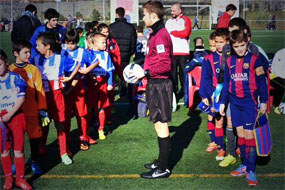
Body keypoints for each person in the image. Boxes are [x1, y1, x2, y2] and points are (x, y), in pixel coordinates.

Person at [219, 29, 268, 186]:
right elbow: (227, 84)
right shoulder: (229, 61)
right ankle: (245, 165)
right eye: (236, 46)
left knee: (249, 136)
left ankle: (251, 169)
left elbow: (262, 82)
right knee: (239, 134)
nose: (239, 49)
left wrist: (264, 100)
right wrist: (222, 102)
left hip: (249, 104)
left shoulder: (255, 60)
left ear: (247, 42)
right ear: (232, 46)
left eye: (242, 45)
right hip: (234, 103)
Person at [133, 0, 173, 179]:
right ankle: (160, 161)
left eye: (144, 14)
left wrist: (146, 72)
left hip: (160, 84)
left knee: (161, 123)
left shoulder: (161, 35)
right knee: (157, 122)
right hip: (155, 82)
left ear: (153, 16)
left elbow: (165, 64)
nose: (142, 18)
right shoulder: (155, 33)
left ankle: (163, 168)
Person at [31, 32, 73, 165]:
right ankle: (41, 148)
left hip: (57, 95)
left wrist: (70, 84)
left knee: (60, 125)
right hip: (42, 96)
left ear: (47, 46)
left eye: (38, 45)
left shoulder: (61, 58)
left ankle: (63, 152)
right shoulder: (36, 59)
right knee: (43, 124)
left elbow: (78, 67)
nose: (36, 48)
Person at [9, 40, 49, 175]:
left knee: (35, 138)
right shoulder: (10, 70)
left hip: (31, 110)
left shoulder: (33, 69)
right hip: (16, 112)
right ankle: (16, 162)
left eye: (29, 52)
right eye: (25, 52)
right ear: (16, 53)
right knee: (16, 139)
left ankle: (35, 162)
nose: (28, 55)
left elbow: (40, 90)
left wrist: (42, 109)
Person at [0, 49, 32, 190]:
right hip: (1, 120)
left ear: (6, 63)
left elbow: (22, 98)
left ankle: (20, 179)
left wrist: (9, 114)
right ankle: (8, 179)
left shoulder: (15, 78)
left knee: (18, 150)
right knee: (4, 150)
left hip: (15, 116)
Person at [61, 29, 98, 151]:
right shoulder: (62, 52)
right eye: (68, 42)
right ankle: (65, 140)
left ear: (77, 42)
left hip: (79, 87)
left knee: (81, 114)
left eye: (72, 43)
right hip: (65, 87)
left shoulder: (82, 52)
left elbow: (96, 61)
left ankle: (83, 137)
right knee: (65, 115)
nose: (70, 45)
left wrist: (87, 71)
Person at [200, 28, 229, 160]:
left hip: (231, 94)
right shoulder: (209, 58)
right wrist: (205, 95)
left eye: (221, 42)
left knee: (232, 122)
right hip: (215, 94)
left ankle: (236, 147)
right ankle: (221, 147)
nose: (218, 45)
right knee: (218, 120)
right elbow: (205, 78)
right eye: (216, 42)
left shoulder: (233, 56)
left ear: (227, 42)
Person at [85, 33, 114, 140]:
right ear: (94, 43)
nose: (105, 44)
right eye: (102, 42)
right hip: (91, 83)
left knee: (101, 107)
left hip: (102, 83)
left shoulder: (106, 55)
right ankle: (86, 129)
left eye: (105, 42)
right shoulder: (87, 54)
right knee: (89, 107)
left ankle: (101, 129)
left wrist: (110, 83)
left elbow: (110, 71)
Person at [165, 3, 192, 103]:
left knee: (183, 75)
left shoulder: (186, 20)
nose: (172, 12)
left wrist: (174, 32)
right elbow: (166, 36)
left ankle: (187, 97)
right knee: (172, 75)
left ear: (180, 11)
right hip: (172, 52)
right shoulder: (168, 22)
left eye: (174, 10)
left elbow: (186, 33)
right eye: (171, 10)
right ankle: (174, 96)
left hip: (183, 52)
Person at [109, 7, 137, 99]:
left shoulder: (111, 27)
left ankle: (112, 92)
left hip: (114, 54)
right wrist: (131, 52)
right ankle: (124, 93)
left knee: (112, 74)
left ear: (116, 14)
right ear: (124, 14)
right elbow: (133, 43)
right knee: (124, 74)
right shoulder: (130, 27)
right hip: (126, 55)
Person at [97, 23, 123, 124]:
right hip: (98, 74)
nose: (106, 34)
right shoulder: (95, 42)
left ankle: (109, 112)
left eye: (107, 32)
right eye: (103, 32)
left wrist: (117, 67)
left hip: (110, 70)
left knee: (110, 93)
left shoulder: (112, 42)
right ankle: (98, 117)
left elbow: (118, 55)